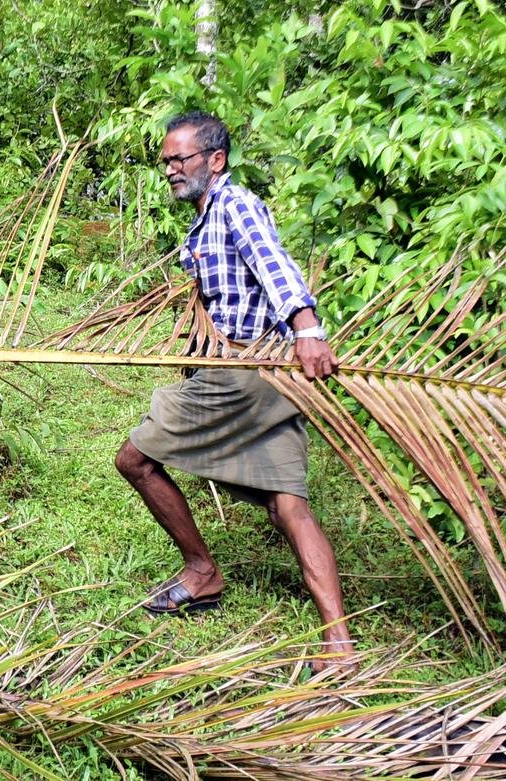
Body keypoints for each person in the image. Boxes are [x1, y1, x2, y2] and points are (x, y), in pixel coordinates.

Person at [113, 111, 354, 670]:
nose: (171, 169)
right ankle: (339, 646)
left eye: (182, 159)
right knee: (288, 504)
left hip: (244, 376)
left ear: (215, 160)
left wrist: (308, 329)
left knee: (135, 460)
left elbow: (276, 266)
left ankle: (202, 571)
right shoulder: (204, 217)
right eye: (167, 160)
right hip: (271, 377)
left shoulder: (234, 205)